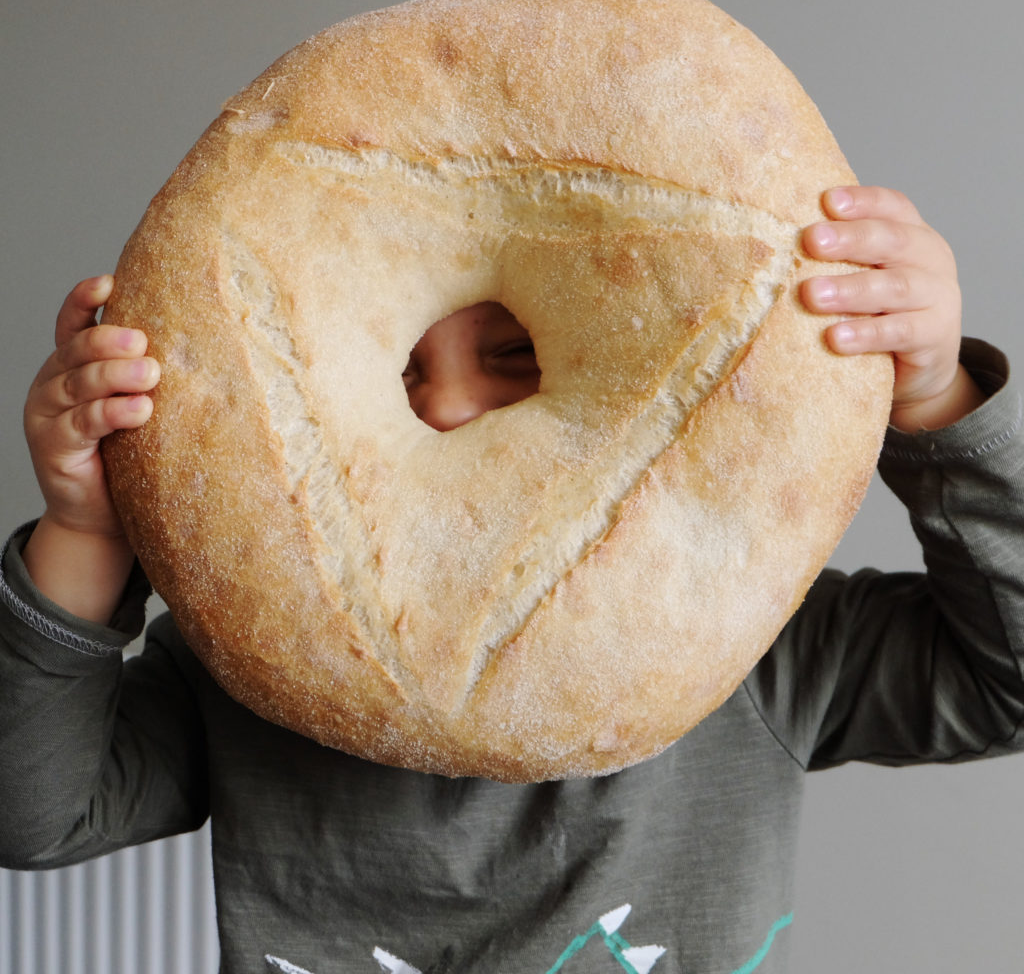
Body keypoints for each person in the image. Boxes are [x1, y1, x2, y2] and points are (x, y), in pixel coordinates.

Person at [1, 185, 1021, 974]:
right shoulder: (251, 662)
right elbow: (33, 816)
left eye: (514, 356)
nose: (443, 406)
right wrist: (88, 526)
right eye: (398, 369)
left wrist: (934, 396)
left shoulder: (754, 641)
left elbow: (1004, 684)